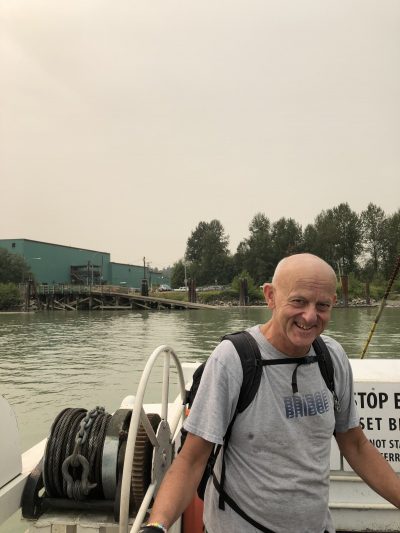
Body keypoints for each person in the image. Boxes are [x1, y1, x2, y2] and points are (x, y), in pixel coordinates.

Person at [140, 253, 400, 533]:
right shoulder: (233, 360)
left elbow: (356, 445)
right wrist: (157, 525)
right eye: (298, 301)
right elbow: (192, 459)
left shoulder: (332, 358)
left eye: (322, 305)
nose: (310, 316)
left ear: (333, 303)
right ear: (270, 296)